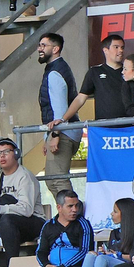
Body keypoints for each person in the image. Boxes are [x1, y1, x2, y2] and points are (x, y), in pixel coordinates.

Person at [12, 190, 92, 267]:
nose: (75, 210)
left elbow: (85, 251)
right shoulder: (48, 225)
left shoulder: (83, 224)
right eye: (70, 206)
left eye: (77, 205)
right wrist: (47, 266)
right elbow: (41, 252)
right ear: (59, 207)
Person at [37, 33, 81, 196]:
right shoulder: (56, 69)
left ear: (55, 49)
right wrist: (47, 137)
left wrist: (55, 134)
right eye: (39, 45)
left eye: (44, 45)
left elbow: (60, 110)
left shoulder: (55, 72)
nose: (39, 49)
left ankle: (73, 211)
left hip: (63, 132)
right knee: (52, 180)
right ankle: (66, 211)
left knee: (58, 180)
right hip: (63, 131)